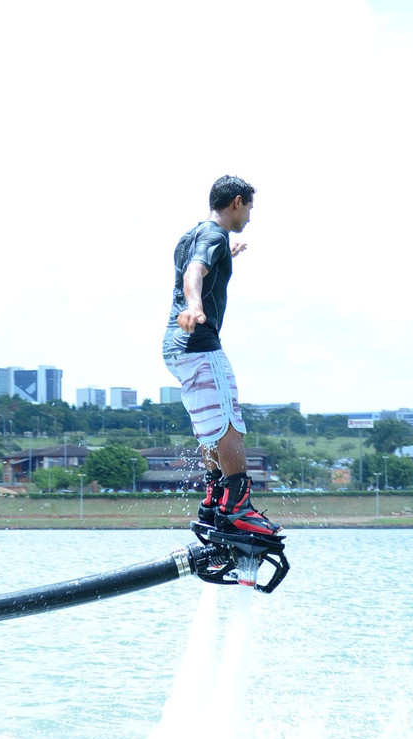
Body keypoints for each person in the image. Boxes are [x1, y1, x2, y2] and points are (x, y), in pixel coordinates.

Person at [162, 175, 280, 537]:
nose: (249, 217)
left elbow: (198, 263)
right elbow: (193, 273)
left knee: (208, 427)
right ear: (237, 202)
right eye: (249, 208)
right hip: (199, 342)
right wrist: (195, 305)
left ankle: (214, 502)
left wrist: (228, 257)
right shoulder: (214, 236)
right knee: (229, 423)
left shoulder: (194, 234)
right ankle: (238, 509)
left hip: (175, 346)